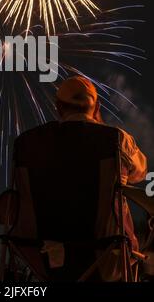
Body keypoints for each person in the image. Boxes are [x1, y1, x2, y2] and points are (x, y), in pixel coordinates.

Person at [55, 75, 147, 279]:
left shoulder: (33, 146)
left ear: (58, 107)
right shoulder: (117, 139)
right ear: (96, 107)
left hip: (47, 255)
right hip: (108, 255)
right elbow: (140, 172)